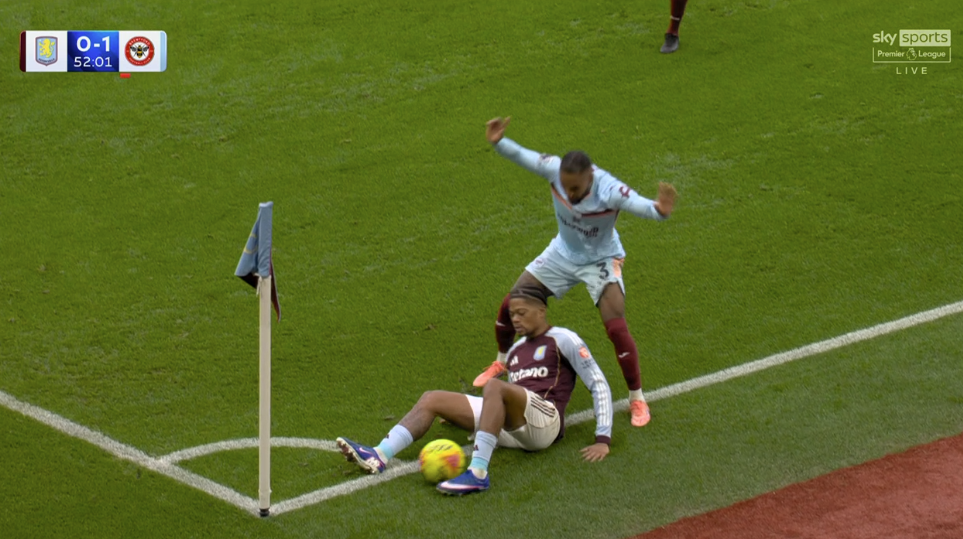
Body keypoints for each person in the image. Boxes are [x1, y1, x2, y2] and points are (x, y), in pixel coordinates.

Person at [473, 117, 676, 429]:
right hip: (562, 254)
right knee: (512, 301)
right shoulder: (553, 169)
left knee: (616, 327)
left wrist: (659, 209)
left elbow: (642, 206)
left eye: (576, 188)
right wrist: (499, 142)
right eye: (565, 188)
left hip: (601, 261)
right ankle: (501, 361)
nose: (570, 193)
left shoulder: (609, 190)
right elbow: (523, 156)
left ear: (590, 177)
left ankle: (637, 398)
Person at [337, 286, 613, 495]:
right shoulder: (515, 351)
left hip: (546, 423)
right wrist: (461, 416)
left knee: (494, 385)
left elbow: (597, 382)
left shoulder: (563, 339)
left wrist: (603, 438)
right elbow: (504, 399)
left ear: (541, 311)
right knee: (432, 399)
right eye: (512, 314)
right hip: (514, 427)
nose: (515, 320)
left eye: (522, 313)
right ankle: (379, 454)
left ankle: (478, 472)